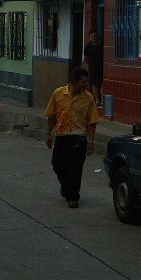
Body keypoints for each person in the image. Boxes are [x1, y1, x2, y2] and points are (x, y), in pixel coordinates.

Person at [44, 66, 100, 208]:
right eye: (83, 82)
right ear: (73, 81)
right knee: (57, 164)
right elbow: (52, 116)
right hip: (62, 136)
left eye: (86, 82)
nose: (85, 85)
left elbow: (92, 122)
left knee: (75, 169)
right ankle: (66, 186)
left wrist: (91, 141)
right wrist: (49, 134)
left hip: (79, 138)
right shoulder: (58, 93)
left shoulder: (88, 98)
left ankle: (73, 197)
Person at [82, 30, 104, 107]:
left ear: (97, 36)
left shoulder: (102, 45)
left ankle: (102, 101)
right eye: (92, 36)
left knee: (102, 83)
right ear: (90, 38)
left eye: (95, 36)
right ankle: (97, 100)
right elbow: (86, 58)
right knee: (94, 84)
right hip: (93, 68)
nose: (93, 38)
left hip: (102, 68)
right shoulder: (88, 46)